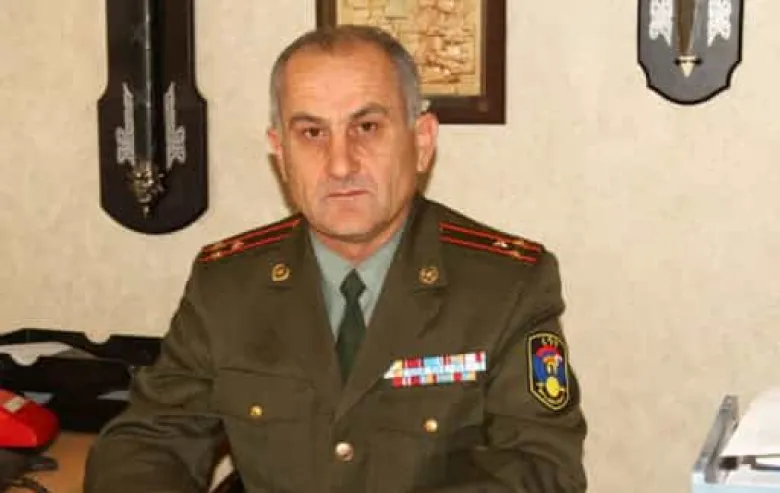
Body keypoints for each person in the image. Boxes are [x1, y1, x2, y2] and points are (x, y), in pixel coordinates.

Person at [84, 24, 587, 493]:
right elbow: (148, 441)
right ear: (280, 152)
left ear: (421, 141)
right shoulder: (227, 285)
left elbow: (541, 466)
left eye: (366, 127)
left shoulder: (506, 285)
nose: (341, 164)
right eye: (312, 133)